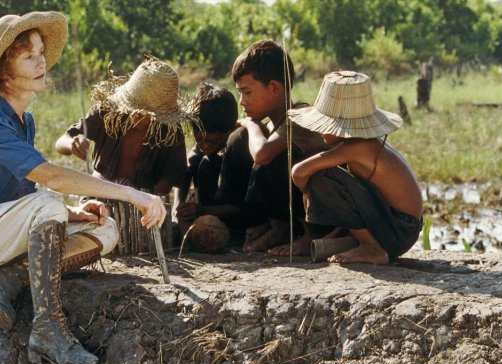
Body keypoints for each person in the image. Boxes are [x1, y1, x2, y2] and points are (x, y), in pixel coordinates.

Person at [0, 11, 166, 364]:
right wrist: (134, 195)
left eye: (41, 53)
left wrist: (74, 214)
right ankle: (48, 330)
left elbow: (22, 195)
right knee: (49, 202)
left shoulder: (24, 119)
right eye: (29, 57)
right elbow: (50, 178)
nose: (42, 63)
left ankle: (6, 279)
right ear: (4, 71)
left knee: (105, 229)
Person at [288, 70, 423, 264]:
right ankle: (358, 241)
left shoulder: (359, 147)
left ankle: (372, 248)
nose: (320, 130)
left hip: (399, 230)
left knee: (322, 178)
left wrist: (307, 190)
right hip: (401, 227)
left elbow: (299, 172)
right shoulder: (365, 144)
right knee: (327, 176)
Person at [220, 39, 329, 253]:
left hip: (322, 208)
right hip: (293, 202)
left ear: (274, 88)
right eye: (239, 92)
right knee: (238, 140)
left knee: (270, 157)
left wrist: (251, 125)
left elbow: (262, 155)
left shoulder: (300, 117)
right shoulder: (271, 121)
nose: (241, 101)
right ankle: (270, 224)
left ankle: (308, 234)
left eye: (247, 92)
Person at [55, 57, 192, 195]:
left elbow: (170, 176)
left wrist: (150, 202)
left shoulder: (170, 131)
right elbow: (61, 143)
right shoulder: (106, 113)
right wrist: (72, 143)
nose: (138, 116)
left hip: (146, 197)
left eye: (147, 115)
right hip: (99, 191)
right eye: (135, 110)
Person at [174, 83, 239, 237]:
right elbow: (186, 172)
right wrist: (177, 208)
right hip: (209, 213)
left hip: (241, 217)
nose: (204, 146)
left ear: (230, 131)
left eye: (212, 141)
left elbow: (245, 207)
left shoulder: (239, 148)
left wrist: (203, 210)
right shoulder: (200, 150)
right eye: (199, 140)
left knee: (207, 163)